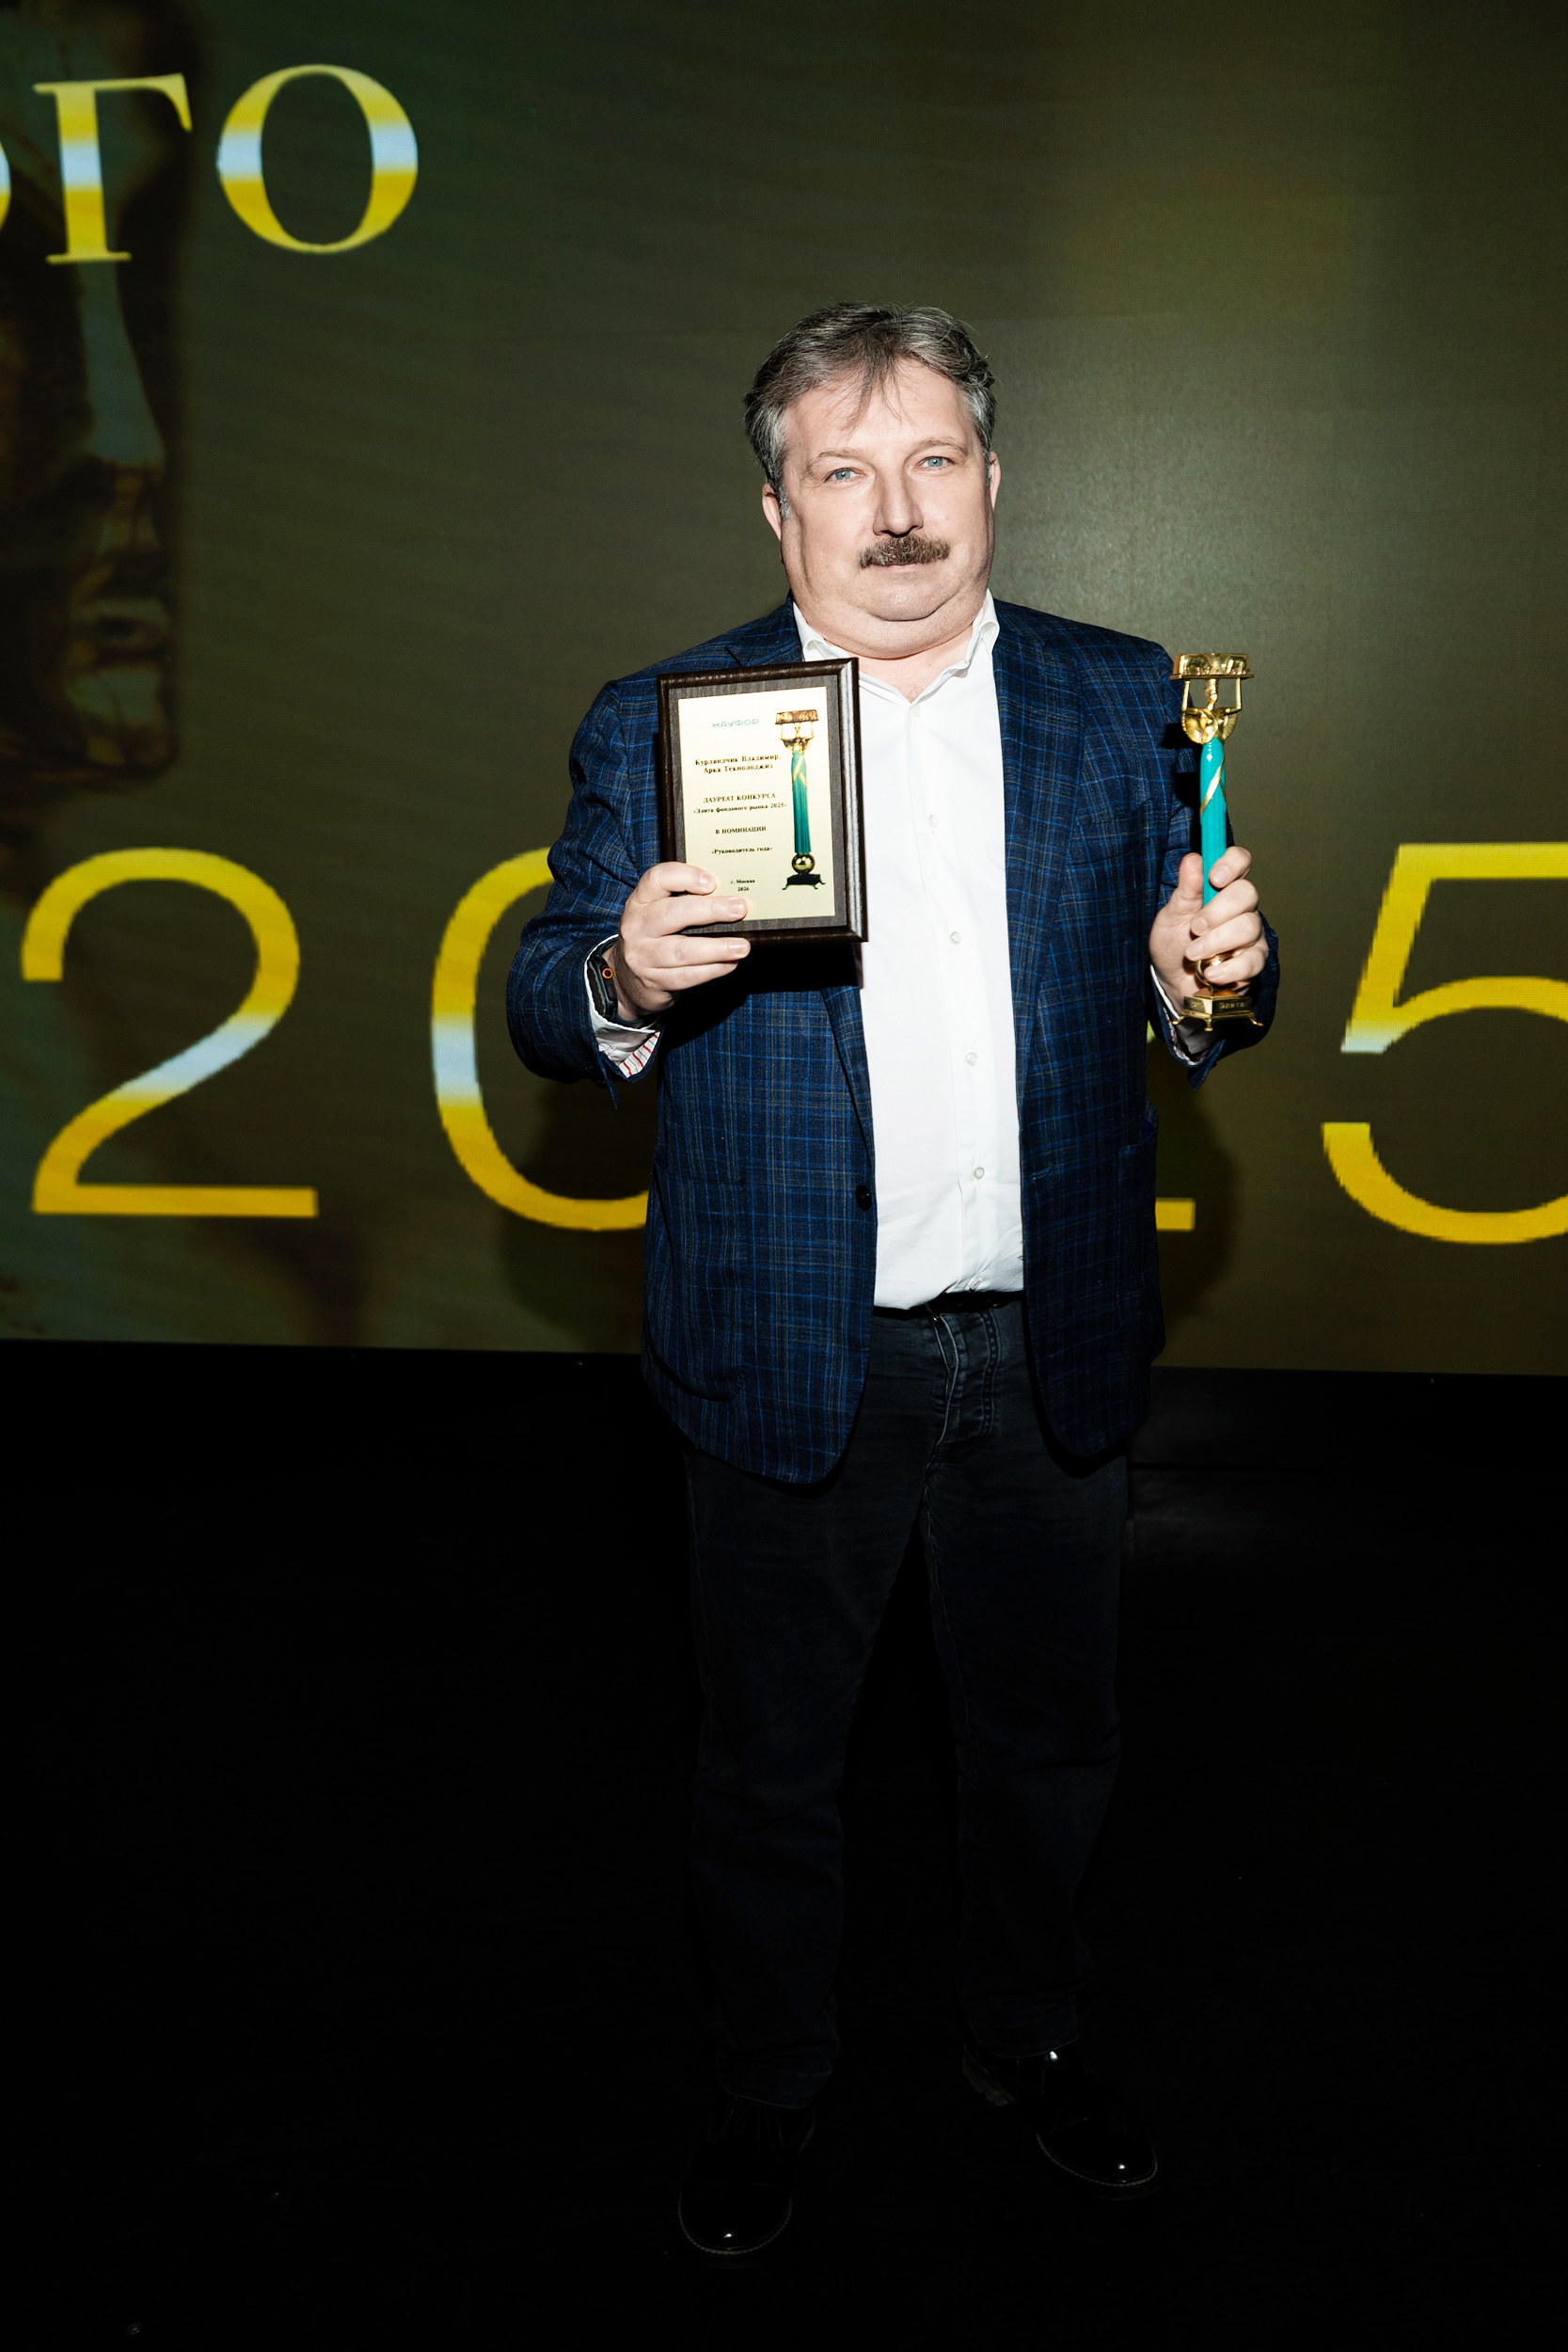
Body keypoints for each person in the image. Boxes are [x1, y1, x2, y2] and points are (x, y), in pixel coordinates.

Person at [508, 303, 1277, 2265]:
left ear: (993, 481)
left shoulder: (1125, 699)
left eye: (933, 459)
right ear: (780, 513)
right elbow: (543, 991)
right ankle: (770, 2079)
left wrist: (1213, 984)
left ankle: (1030, 2037)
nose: (898, 509)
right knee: (771, 1769)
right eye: (843, 471)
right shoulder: (671, 717)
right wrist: (622, 971)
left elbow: (1205, 990)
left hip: (1047, 1345)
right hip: (789, 1347)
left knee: (1049, 1746)